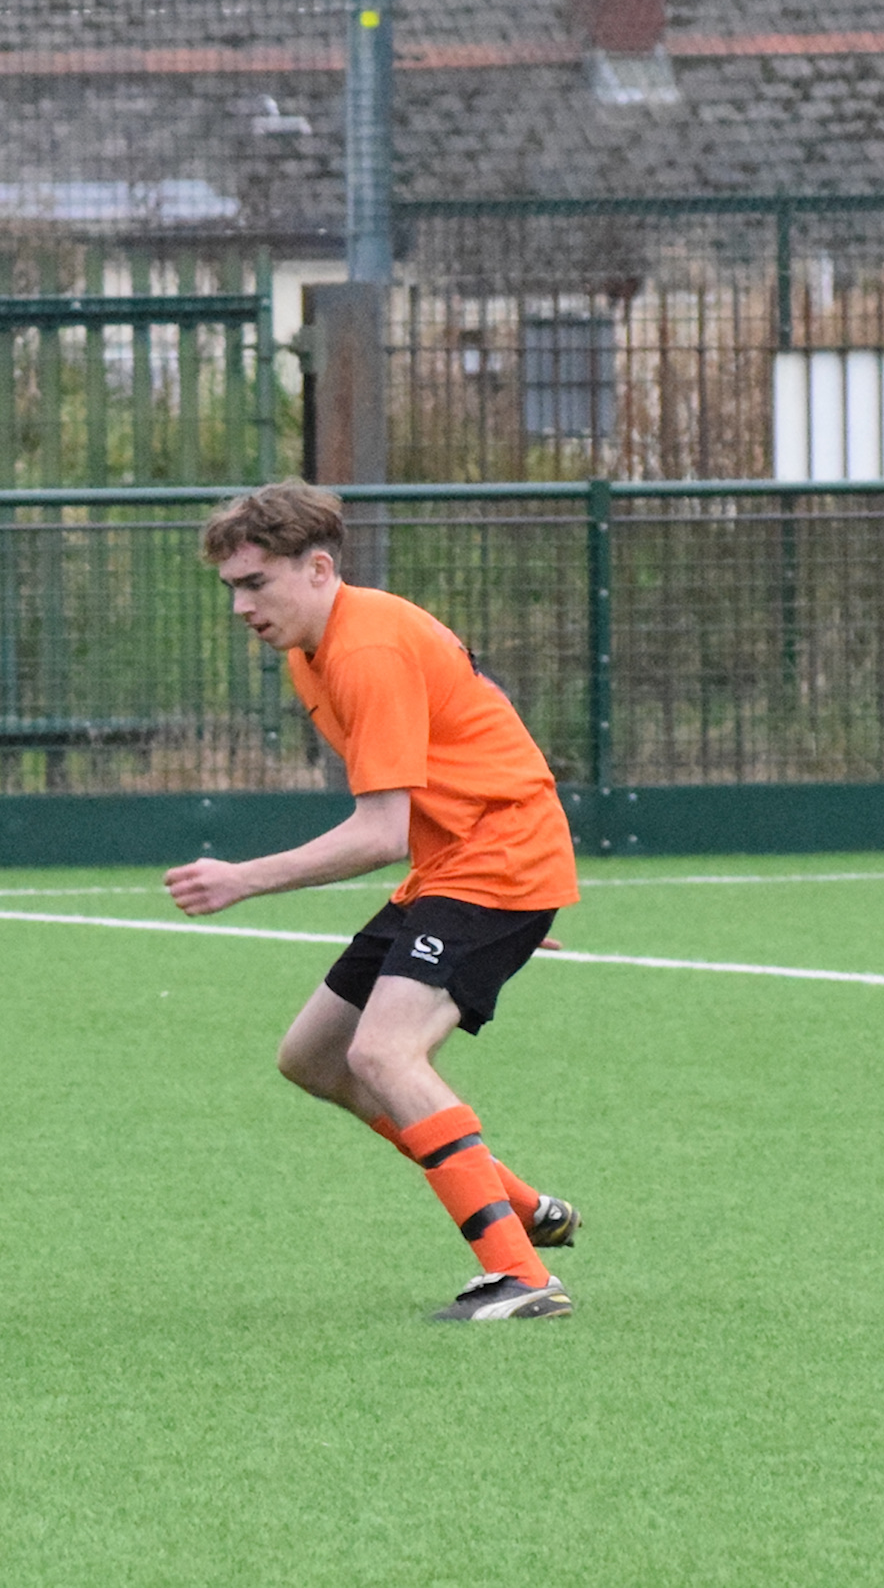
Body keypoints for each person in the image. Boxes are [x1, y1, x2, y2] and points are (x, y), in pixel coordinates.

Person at [164, 482, 583, 1321]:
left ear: (319, 569)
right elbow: (465, 743)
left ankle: (523, 1274)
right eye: (232, 589)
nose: (242, 605)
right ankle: (524, 1209)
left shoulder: (366, 649)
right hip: (461, 868)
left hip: (491, 862)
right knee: (313, 1057)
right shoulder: (311, 649)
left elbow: (379, 829)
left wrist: (244, 877)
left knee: (383, 1055)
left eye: (257, 583)